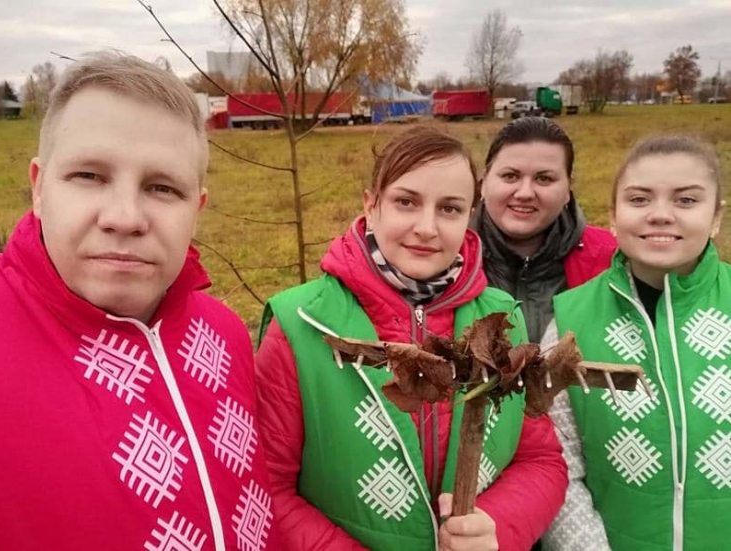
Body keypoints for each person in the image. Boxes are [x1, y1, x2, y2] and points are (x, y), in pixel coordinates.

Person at [0, 52, 279, 551]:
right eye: (89, 176)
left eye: (162, 187)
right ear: (39, 188)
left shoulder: (226, 334)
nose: (125, 218)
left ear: (197, 209)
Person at [255, 126, 568, 550]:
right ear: (371, 206)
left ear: (470, 216)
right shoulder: (302, 325)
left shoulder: (499, 319)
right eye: (406, 202)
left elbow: (540, 459)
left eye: (450, 208)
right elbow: (268, 488)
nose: (426, 227)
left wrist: (498, 527)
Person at [543, 135, 729, 550]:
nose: (660, 215)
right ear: (613, 216)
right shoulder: (569, 324)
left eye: (686, 200)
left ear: (716, 217)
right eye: (640, 199)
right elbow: (557, 461)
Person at [472, 117, 617, 343]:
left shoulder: (612, 260)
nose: (525, 193)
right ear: (484, 183)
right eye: (510, 176)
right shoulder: (446, 255)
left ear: (568, 189)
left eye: (544, 178)